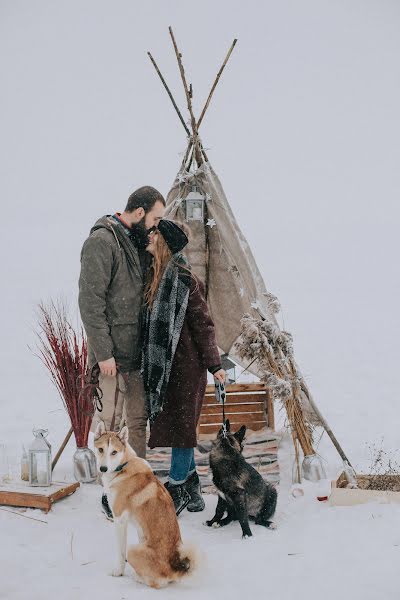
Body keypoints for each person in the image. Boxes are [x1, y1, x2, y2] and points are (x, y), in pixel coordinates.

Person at [79, 186, 165, 519]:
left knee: (137, 425)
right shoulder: (102, 242)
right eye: (156, 218)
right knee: (110, 427)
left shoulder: (135, 240)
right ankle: (110, 495)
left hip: (136, 354)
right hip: (111, 357)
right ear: (140, 213)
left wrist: (151, 251)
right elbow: (91, 302)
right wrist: (103, 353)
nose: (157, 225)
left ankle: (137, 490)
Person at [143, 219, 225, 515]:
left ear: (164, 241)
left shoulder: (184, 280)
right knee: (181, 430)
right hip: (166, 371)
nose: (149, 236)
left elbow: (204, 326)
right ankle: (192, 489)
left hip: (187, 371)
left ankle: (176, 489)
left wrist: (215, 365)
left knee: (182, 432)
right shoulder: (154, 275)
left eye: (154, 233)